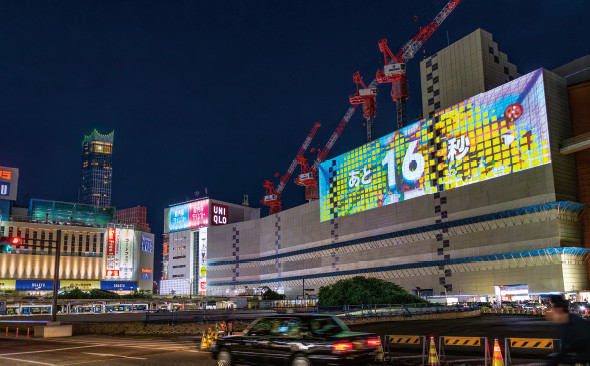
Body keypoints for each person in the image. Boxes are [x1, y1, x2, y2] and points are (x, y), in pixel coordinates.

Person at [545, 295, 590, 366]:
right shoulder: (567, 324)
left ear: (558, 310)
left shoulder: (576, 326)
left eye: (551, 310)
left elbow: (563, 353)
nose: (547, 314)